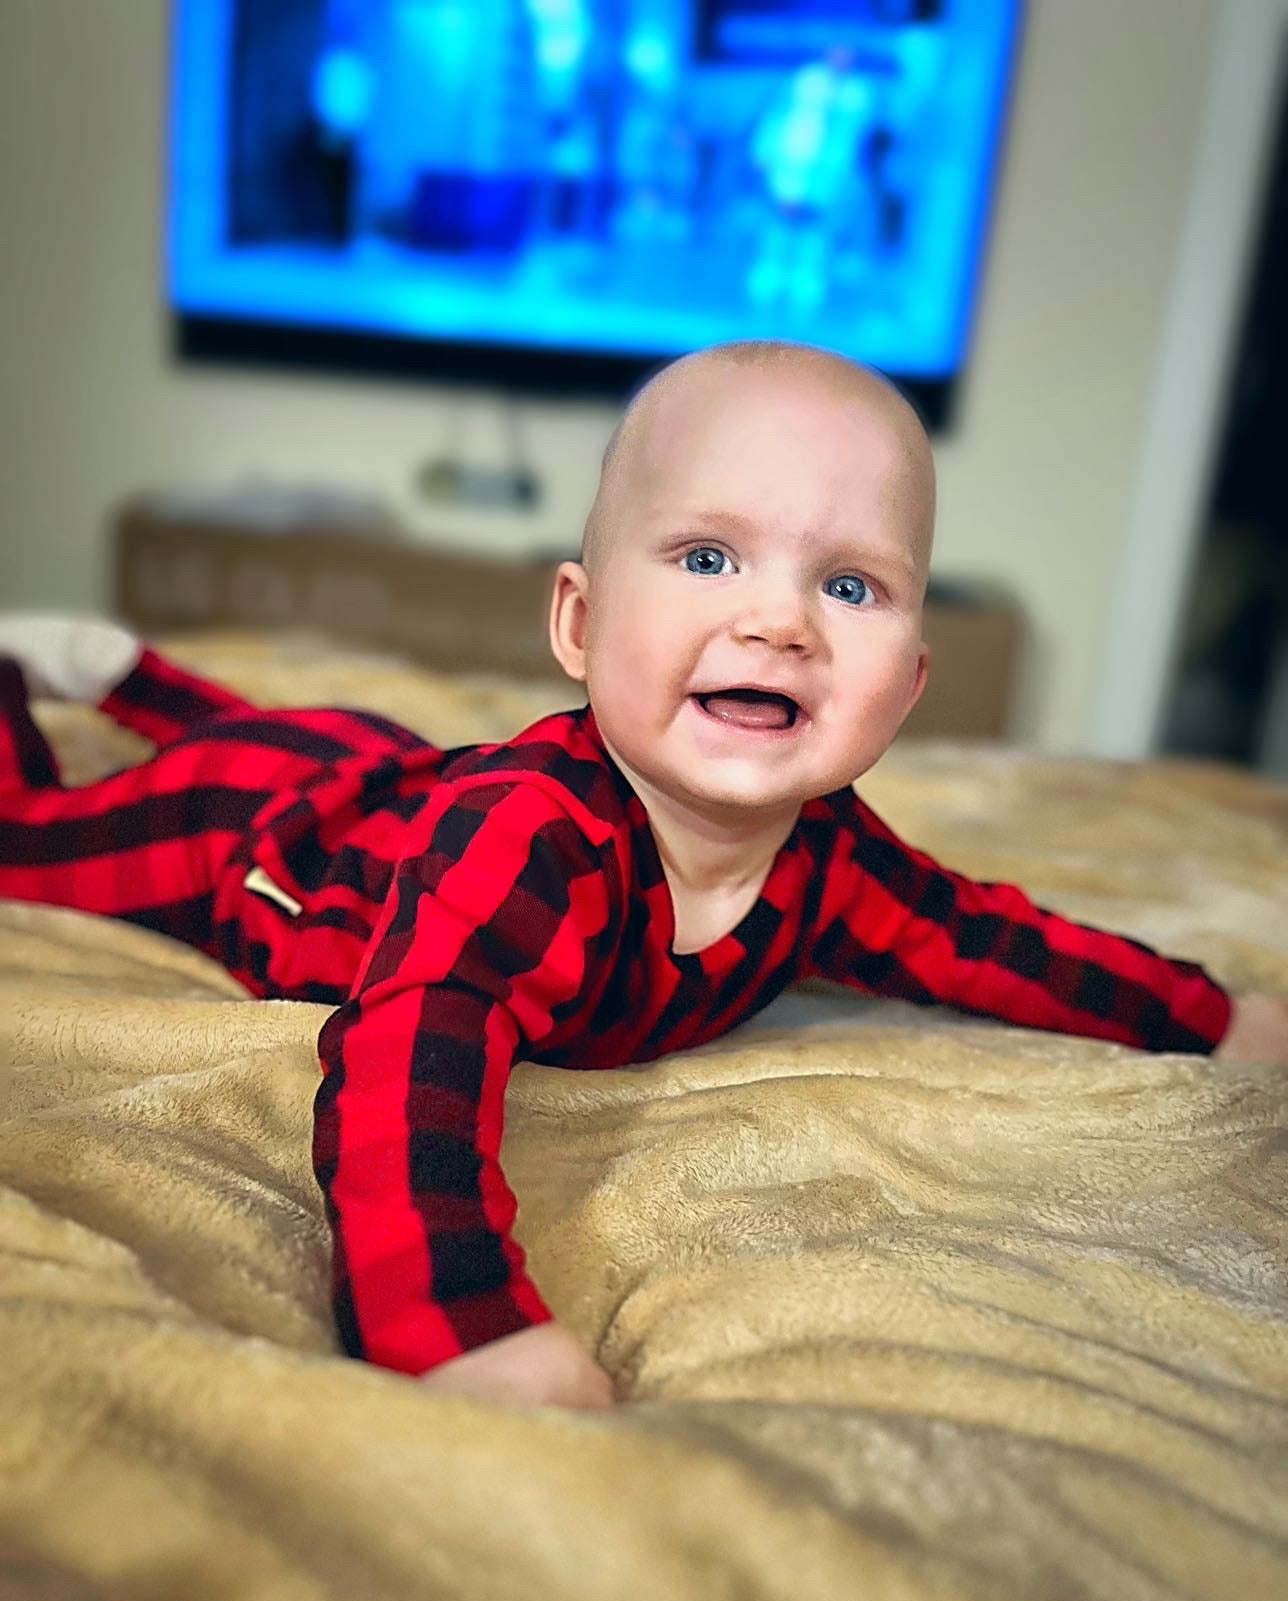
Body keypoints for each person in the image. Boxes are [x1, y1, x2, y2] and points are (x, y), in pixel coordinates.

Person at [2, 341, 1285, 1415]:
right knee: (36, 837)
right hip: (264, 842)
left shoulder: (830, 850)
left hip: (391, 775)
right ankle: (52, 681)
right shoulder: (528, 837)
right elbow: (406, 1056)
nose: (778, 621)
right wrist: (459, 1324)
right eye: (707, 558)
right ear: (578, 624)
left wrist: (1215, 1017)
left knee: (348, 743)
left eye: (848, 584)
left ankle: (135, 680)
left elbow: (990, 941)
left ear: (907, 685)